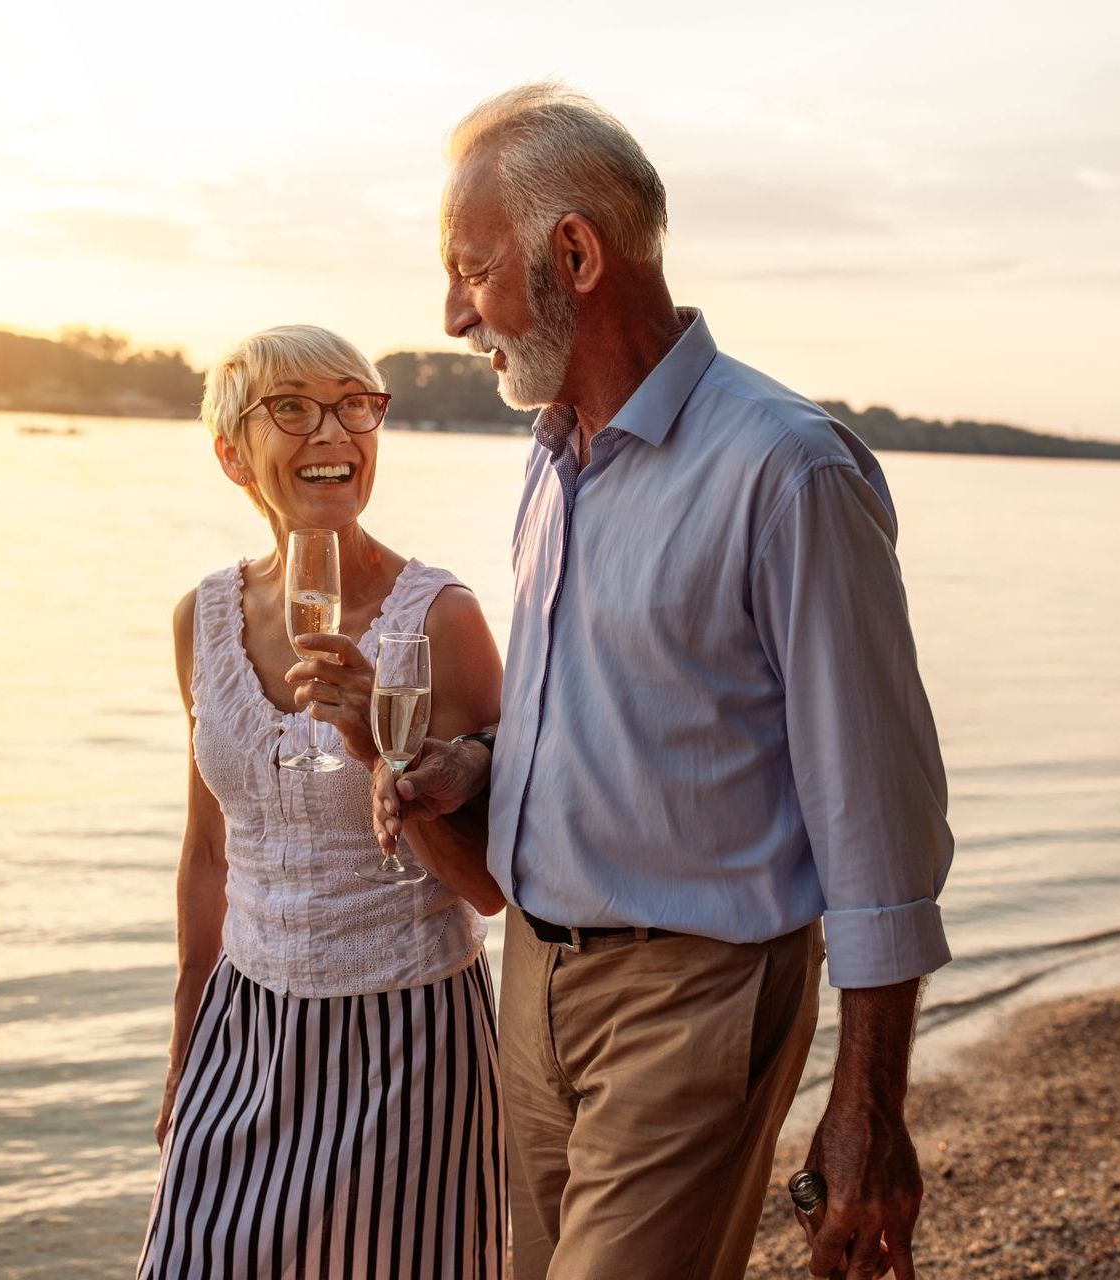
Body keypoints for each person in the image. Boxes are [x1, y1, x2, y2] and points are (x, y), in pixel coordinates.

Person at [374, 85, 956, 1280]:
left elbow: (877, 816)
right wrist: (472, 765)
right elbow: (593, 707)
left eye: (470, 271)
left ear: (573, 254)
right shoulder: (550, 459)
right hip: (531, 982)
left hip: (693, 997)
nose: (449, 315)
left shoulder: (787, 471)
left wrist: (869, 1104)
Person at [139, 325, 508, 1280]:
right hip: (243, 1028)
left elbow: (489, 889)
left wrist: (372, 748)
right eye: (292, 409)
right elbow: (209, 853)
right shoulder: (202, 617)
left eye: (355, 405)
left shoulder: (441, 620)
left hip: (408, 1040)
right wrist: (187, 1041)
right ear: (232, 453)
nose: (333, 431)